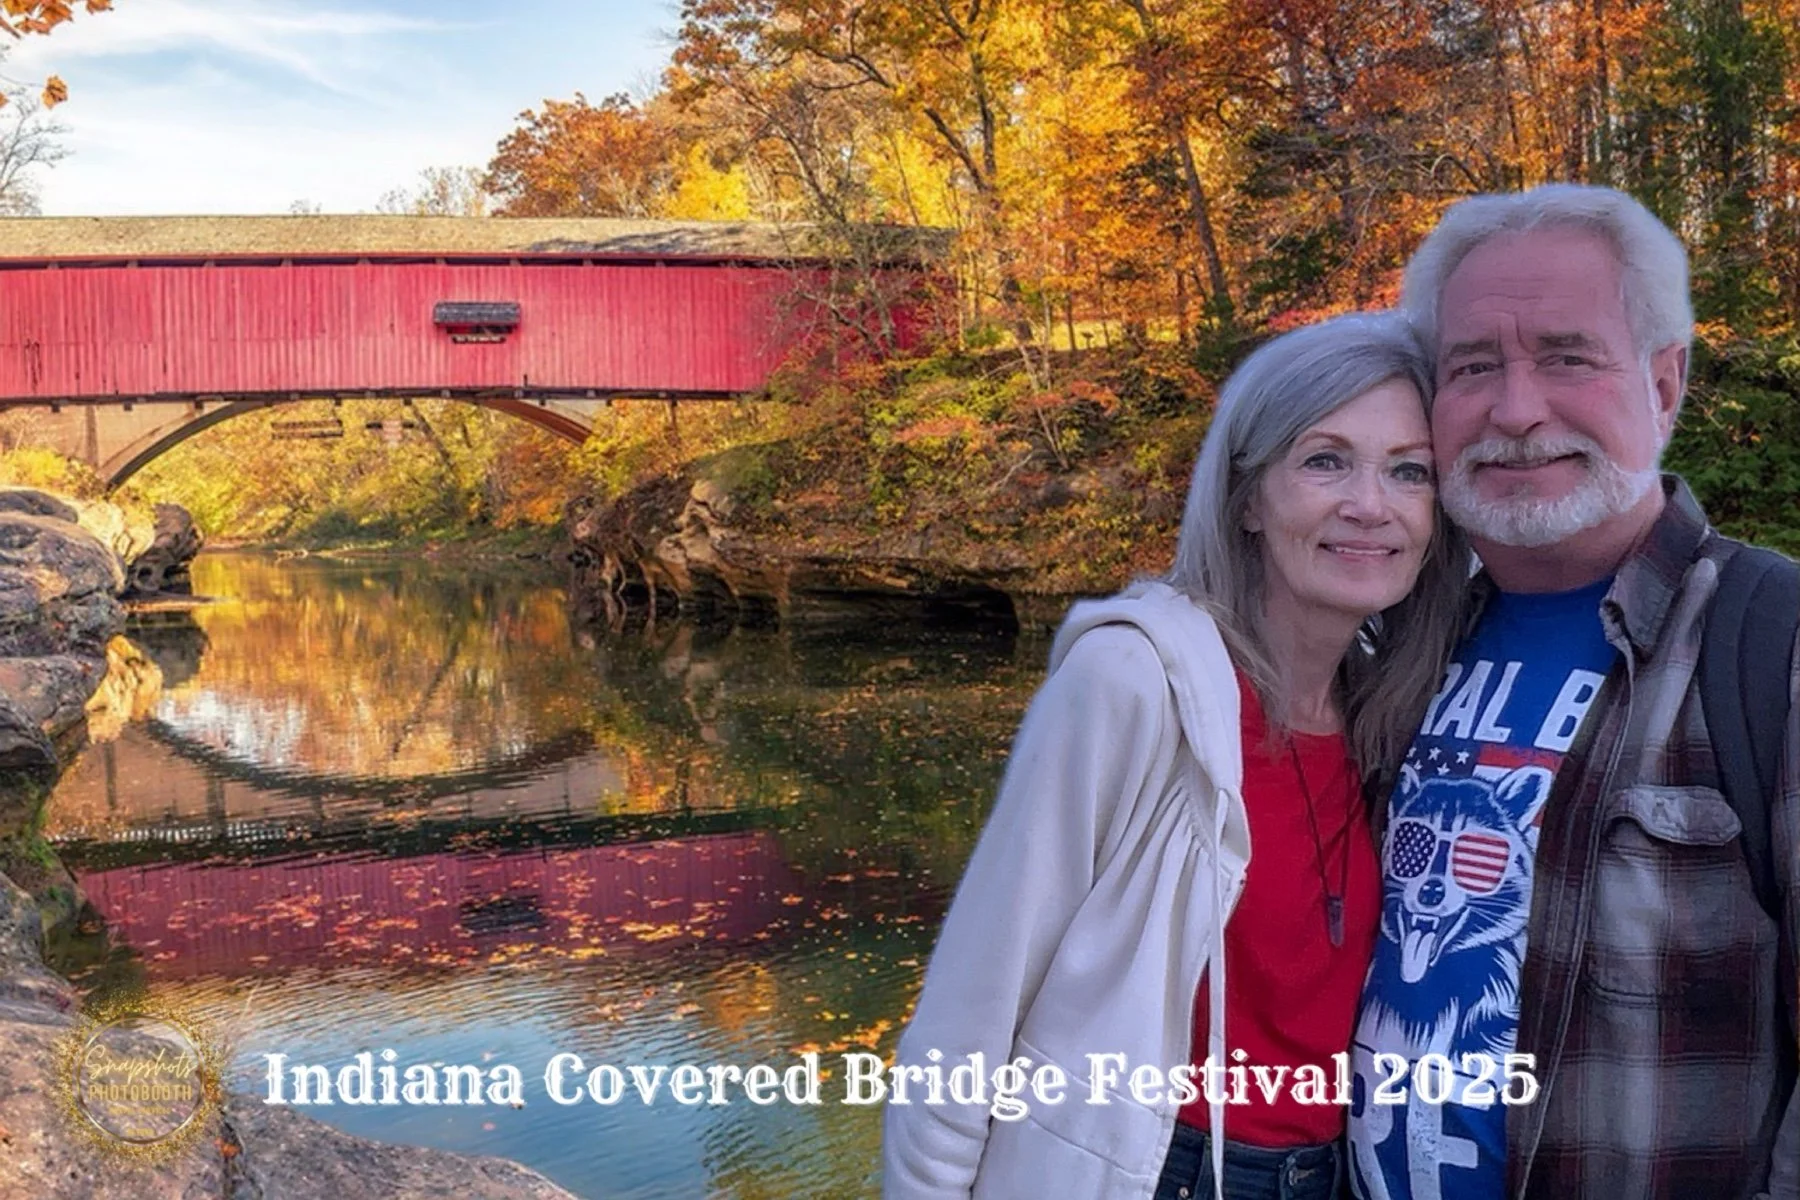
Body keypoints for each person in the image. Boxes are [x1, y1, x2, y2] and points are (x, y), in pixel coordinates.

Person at [882, 310, 1472, 1200]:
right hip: (1156, 1171)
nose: (1370, 503)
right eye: (1324, 460)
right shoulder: (1136, 682)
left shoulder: (1390, 716)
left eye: (1409, 471)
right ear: (1246, 497)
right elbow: (975, 999)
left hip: (1340, 1171)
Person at [1347, 183, 1800, 1200]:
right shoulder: (1388, 649)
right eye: (1472, 367)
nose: (1515, 409)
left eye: (1567, 355)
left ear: (1664, 383)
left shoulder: (1770, 646)